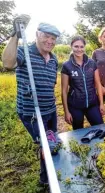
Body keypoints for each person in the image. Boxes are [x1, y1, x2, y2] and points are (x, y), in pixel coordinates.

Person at [2, 18, 61, 185]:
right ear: (36, 34)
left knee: (52, 140)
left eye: (53, 38)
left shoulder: (54, 59)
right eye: (46, 36)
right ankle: (46, 179)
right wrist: (16, 35)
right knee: (46, 145)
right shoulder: (24, 52)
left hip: (50, 109)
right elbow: (7, 62)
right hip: (32, 112)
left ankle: (47, 173)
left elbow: (51, 84)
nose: (49, 41)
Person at [61, 36, 105, 130]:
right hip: (75, 106)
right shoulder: (66, 66)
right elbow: (64, 90)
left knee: (100, 128)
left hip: (92, 103)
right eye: (76, 46)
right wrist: (66, 111)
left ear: (84, 47)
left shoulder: (92, 63)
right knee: (78, 131)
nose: (79, 49)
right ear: (71, 47)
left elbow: (98, 84)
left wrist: (101, 103)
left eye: (81, 47)